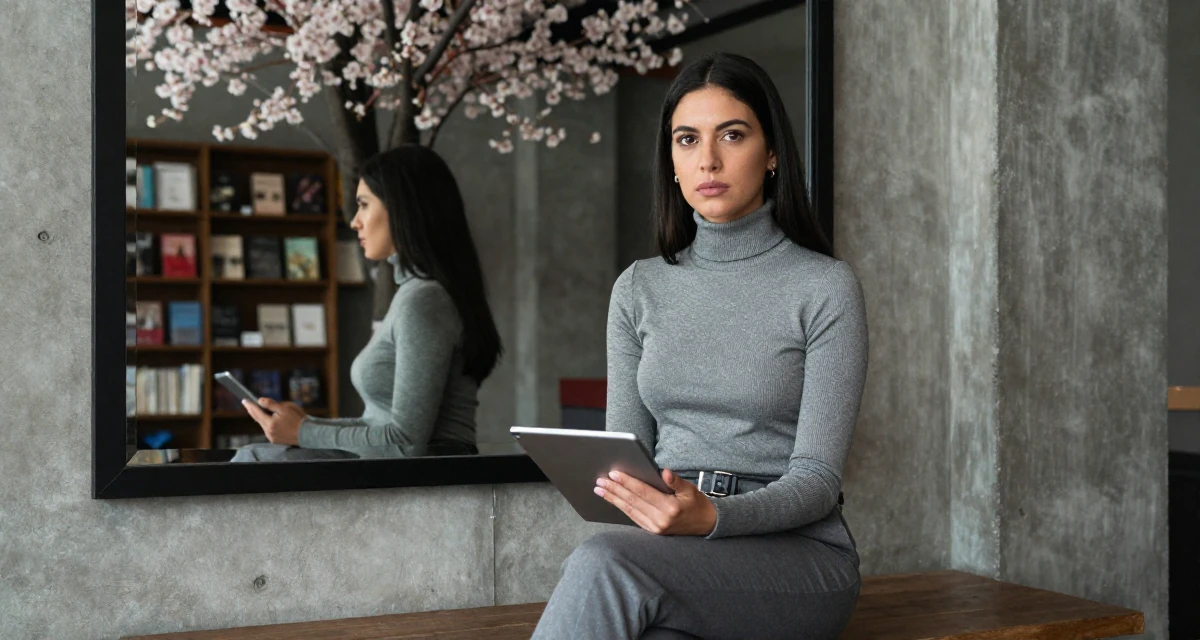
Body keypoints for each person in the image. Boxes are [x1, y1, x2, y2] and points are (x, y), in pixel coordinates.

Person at [531, 53, 869, 640]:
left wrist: (711, 516)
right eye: (687, 139)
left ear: (771, 155)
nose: (707, 160)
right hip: (672, 552)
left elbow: (816, 481)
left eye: (731, 135)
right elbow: (624, 454)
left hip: (799, 560)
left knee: (603, 563)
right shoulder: (638, 288)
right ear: (672, 159)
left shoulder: (824, 287)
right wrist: (624, 491)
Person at [231, 145, 503, 461]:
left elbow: (404, 443)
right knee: (256, 454)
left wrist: (303, 433)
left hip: (430, 482)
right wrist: (304, 425)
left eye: (363, 205)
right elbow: (378, 424)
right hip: (403, 472)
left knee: (255, 459)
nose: (354, 221)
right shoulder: (414, 293)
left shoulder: (425, 301)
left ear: (403, 208)